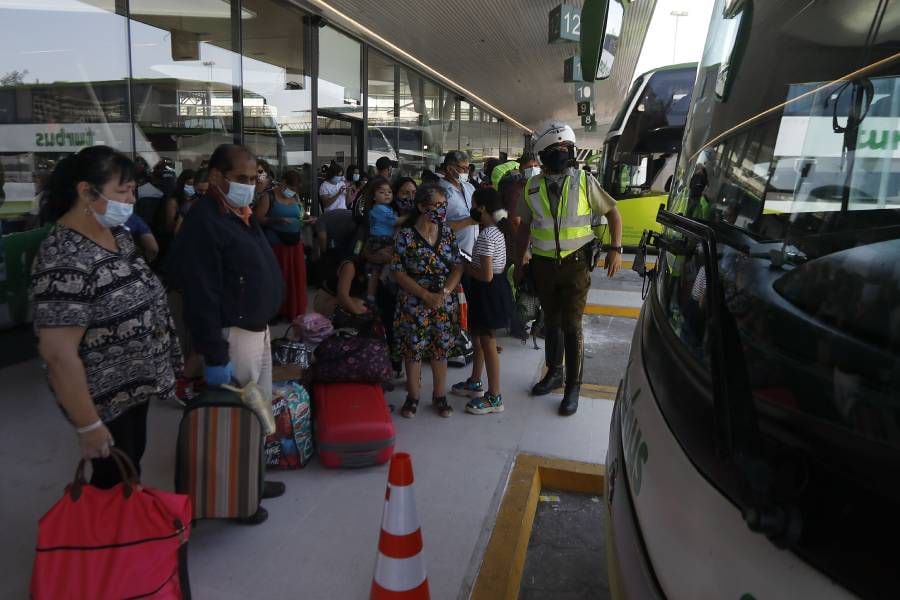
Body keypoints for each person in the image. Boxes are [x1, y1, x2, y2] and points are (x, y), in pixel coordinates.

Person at [31, 145, 182, 488]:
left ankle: (128, 530)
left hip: (133, 386)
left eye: (132, 190)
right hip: (103, 399)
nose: (130, 200)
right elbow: (58, 353)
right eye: (122, 191)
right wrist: (88, 425)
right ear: (86, 191)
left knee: (131, 467)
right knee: (113, 481)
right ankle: (113, 538)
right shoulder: (64, 257)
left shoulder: (116, 236)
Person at [169, 143, 285, 524]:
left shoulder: (238, 213)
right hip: (233, 333)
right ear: (217, 177)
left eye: (254, 179)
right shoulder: (205, 222)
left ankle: (253, 477)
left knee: (258, 409)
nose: (249, 186)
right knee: (236, 417)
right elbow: (201, 294)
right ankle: (235, 497)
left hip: (256, 329)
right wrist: (215, 355)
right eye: (241, 179)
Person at [514, 121, 624, 417]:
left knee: (572, 326)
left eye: (566, 149)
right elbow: (525, 226)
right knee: (550, 321)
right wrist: (519, 261)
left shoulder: (584, 181)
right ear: (543, 154)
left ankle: (573, 385)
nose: (563, 153)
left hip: (575, 265)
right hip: (543, 265)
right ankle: (554, 373)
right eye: (556, 150)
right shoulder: (532, 186)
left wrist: (616, 249)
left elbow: (613, 214)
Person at [391, 184, 464, 419]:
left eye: (444, 206)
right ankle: (412, 397)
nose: (441, 211)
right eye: (437, 206)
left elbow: (457, 266)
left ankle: (439, 396)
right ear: (422, 207)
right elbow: (397, 272)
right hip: (414, 300)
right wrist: (425, 295)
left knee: (440, 350)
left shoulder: (447, 232)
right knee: (413, 350)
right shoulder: (405, 235)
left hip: (443, 300)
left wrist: (443, 293)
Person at [452, 188, 513, 415]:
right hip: (488, 291)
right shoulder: (495, 231)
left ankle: (495, 396)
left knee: (487, 342)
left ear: (483, 208)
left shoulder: (488, 235)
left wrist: (464, 266)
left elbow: (486, 275)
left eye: (474, 204)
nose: (473, 209)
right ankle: (475, 381)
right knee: (478, 338)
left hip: (488, 292)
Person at [254, 169, 311, 321]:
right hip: (276, 245)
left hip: (294, 244)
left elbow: (301, 214)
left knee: (294, 279)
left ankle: (291, 310)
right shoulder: (269, 196)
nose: (292, 192)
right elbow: (257, 219)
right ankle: (275, 311)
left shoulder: (295, 196)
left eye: (295, 190)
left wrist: (308, 218)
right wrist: (276, 221)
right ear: (284, 182)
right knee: (278, 278)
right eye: (291, 188)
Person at [437, 151, 479, 259]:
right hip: (451, 254)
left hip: (473, 253)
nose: (467, 172)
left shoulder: (470, 187)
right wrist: (469, 221)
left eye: (468, 168)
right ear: (450, 169)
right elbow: (436, 226)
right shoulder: (439, 192)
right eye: (463, 168)